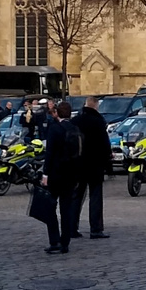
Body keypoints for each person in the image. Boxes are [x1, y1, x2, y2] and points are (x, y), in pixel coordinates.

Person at [40, 101, 84, 254]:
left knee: (50, 208)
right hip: (70, 174)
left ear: (57, 113)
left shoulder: (55, 129)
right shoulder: (75, 129)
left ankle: (54, 240)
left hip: (55, 174)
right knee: (66, 209)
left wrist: (45, 173)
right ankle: (65, 241)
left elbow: (50, 153)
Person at [71, 96, 113, 239]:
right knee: (95, 197)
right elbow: (104, 143)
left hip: (78, 164)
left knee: (76, 196)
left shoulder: (75, 121)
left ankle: (71, 227)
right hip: (95, 164)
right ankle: (95, 228)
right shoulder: (98, 122)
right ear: (95, 106)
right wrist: (108, 163)